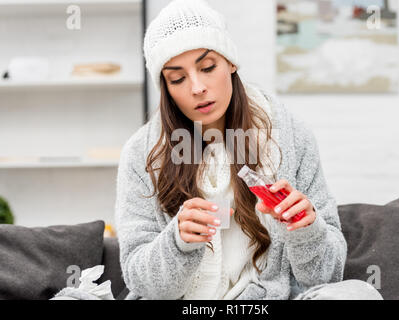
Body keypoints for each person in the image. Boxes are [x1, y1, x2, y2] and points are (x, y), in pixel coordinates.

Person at [114, 0, 382, 300]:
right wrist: (177, 242)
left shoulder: (290, 138)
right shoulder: (142, 154)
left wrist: (308, 230)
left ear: (231, 63)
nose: (197, 87)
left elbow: (326, 276)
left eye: (207, 67)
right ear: (166, 87)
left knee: (358, 294)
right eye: (178, 78)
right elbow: (141, 283)